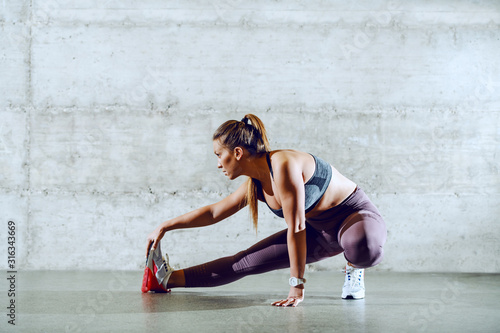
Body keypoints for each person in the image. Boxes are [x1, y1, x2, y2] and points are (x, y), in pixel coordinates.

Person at [142, 114, 387, 307]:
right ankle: (168, 279)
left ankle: (355, 267)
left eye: (219, 155)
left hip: (355, 219)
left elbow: (297, 227)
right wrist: (165, 226)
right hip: (320, 234)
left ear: (237, 153)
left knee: (362, 245)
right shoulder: (255, 184)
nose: (218, 164)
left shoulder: (283, 165)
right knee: (244, 262)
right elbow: (215, 213)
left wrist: (297, 286)